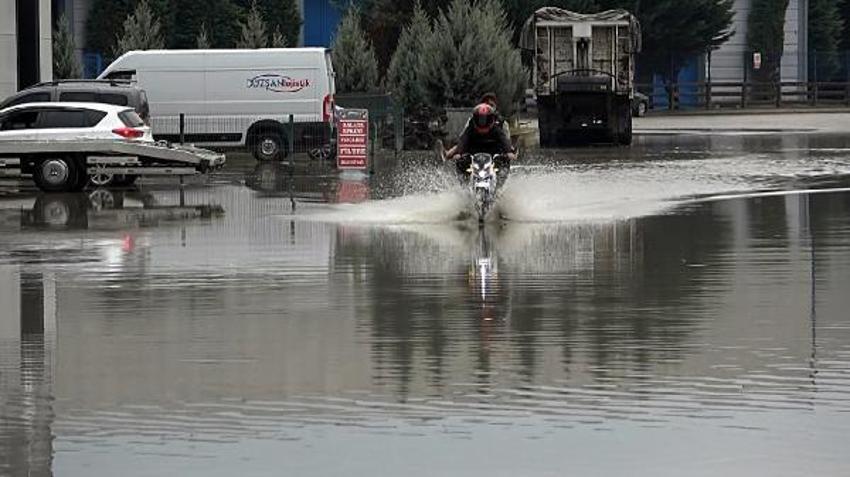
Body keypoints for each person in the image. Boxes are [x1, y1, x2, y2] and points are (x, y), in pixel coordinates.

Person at [444, 103, 516, 179]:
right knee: (460, 162)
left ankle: (499, 182)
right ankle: (465, 184)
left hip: (493, 152)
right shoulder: (471, 127)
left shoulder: (496, 128)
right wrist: (459, 152)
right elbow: (464, 139)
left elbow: (503, 139)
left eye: (485, 119)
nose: (482, 122)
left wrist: (508, 152)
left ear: (491, 118)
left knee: (504, 162)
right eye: (480, 119)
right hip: (474, 151)